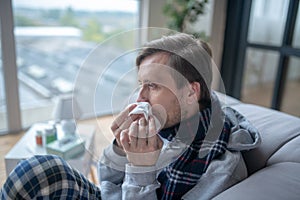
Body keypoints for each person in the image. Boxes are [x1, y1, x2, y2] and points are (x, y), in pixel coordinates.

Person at [0, 33, 260, 200]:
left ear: (190, 92)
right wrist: (119, 150)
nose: (139, 98)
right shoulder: (166, 121)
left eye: (153, 86)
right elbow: (107, 182)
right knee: (39, 167)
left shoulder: (220, 167)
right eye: (141, 84)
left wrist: (140, 169)